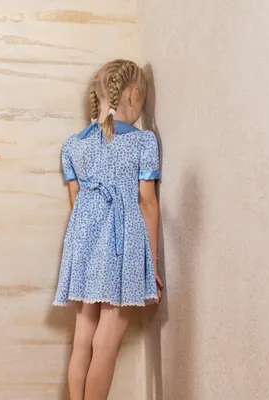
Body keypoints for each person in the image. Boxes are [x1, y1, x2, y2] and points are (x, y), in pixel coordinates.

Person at [52, 59, 163, 400]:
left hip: (82, 238)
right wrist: (151, 261)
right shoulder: (143, 142)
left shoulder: (73, 144)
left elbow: (76, 201)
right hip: (122, 240)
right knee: (109, 336)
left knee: (84, 334)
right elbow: (147, 202)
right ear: (133, 94)